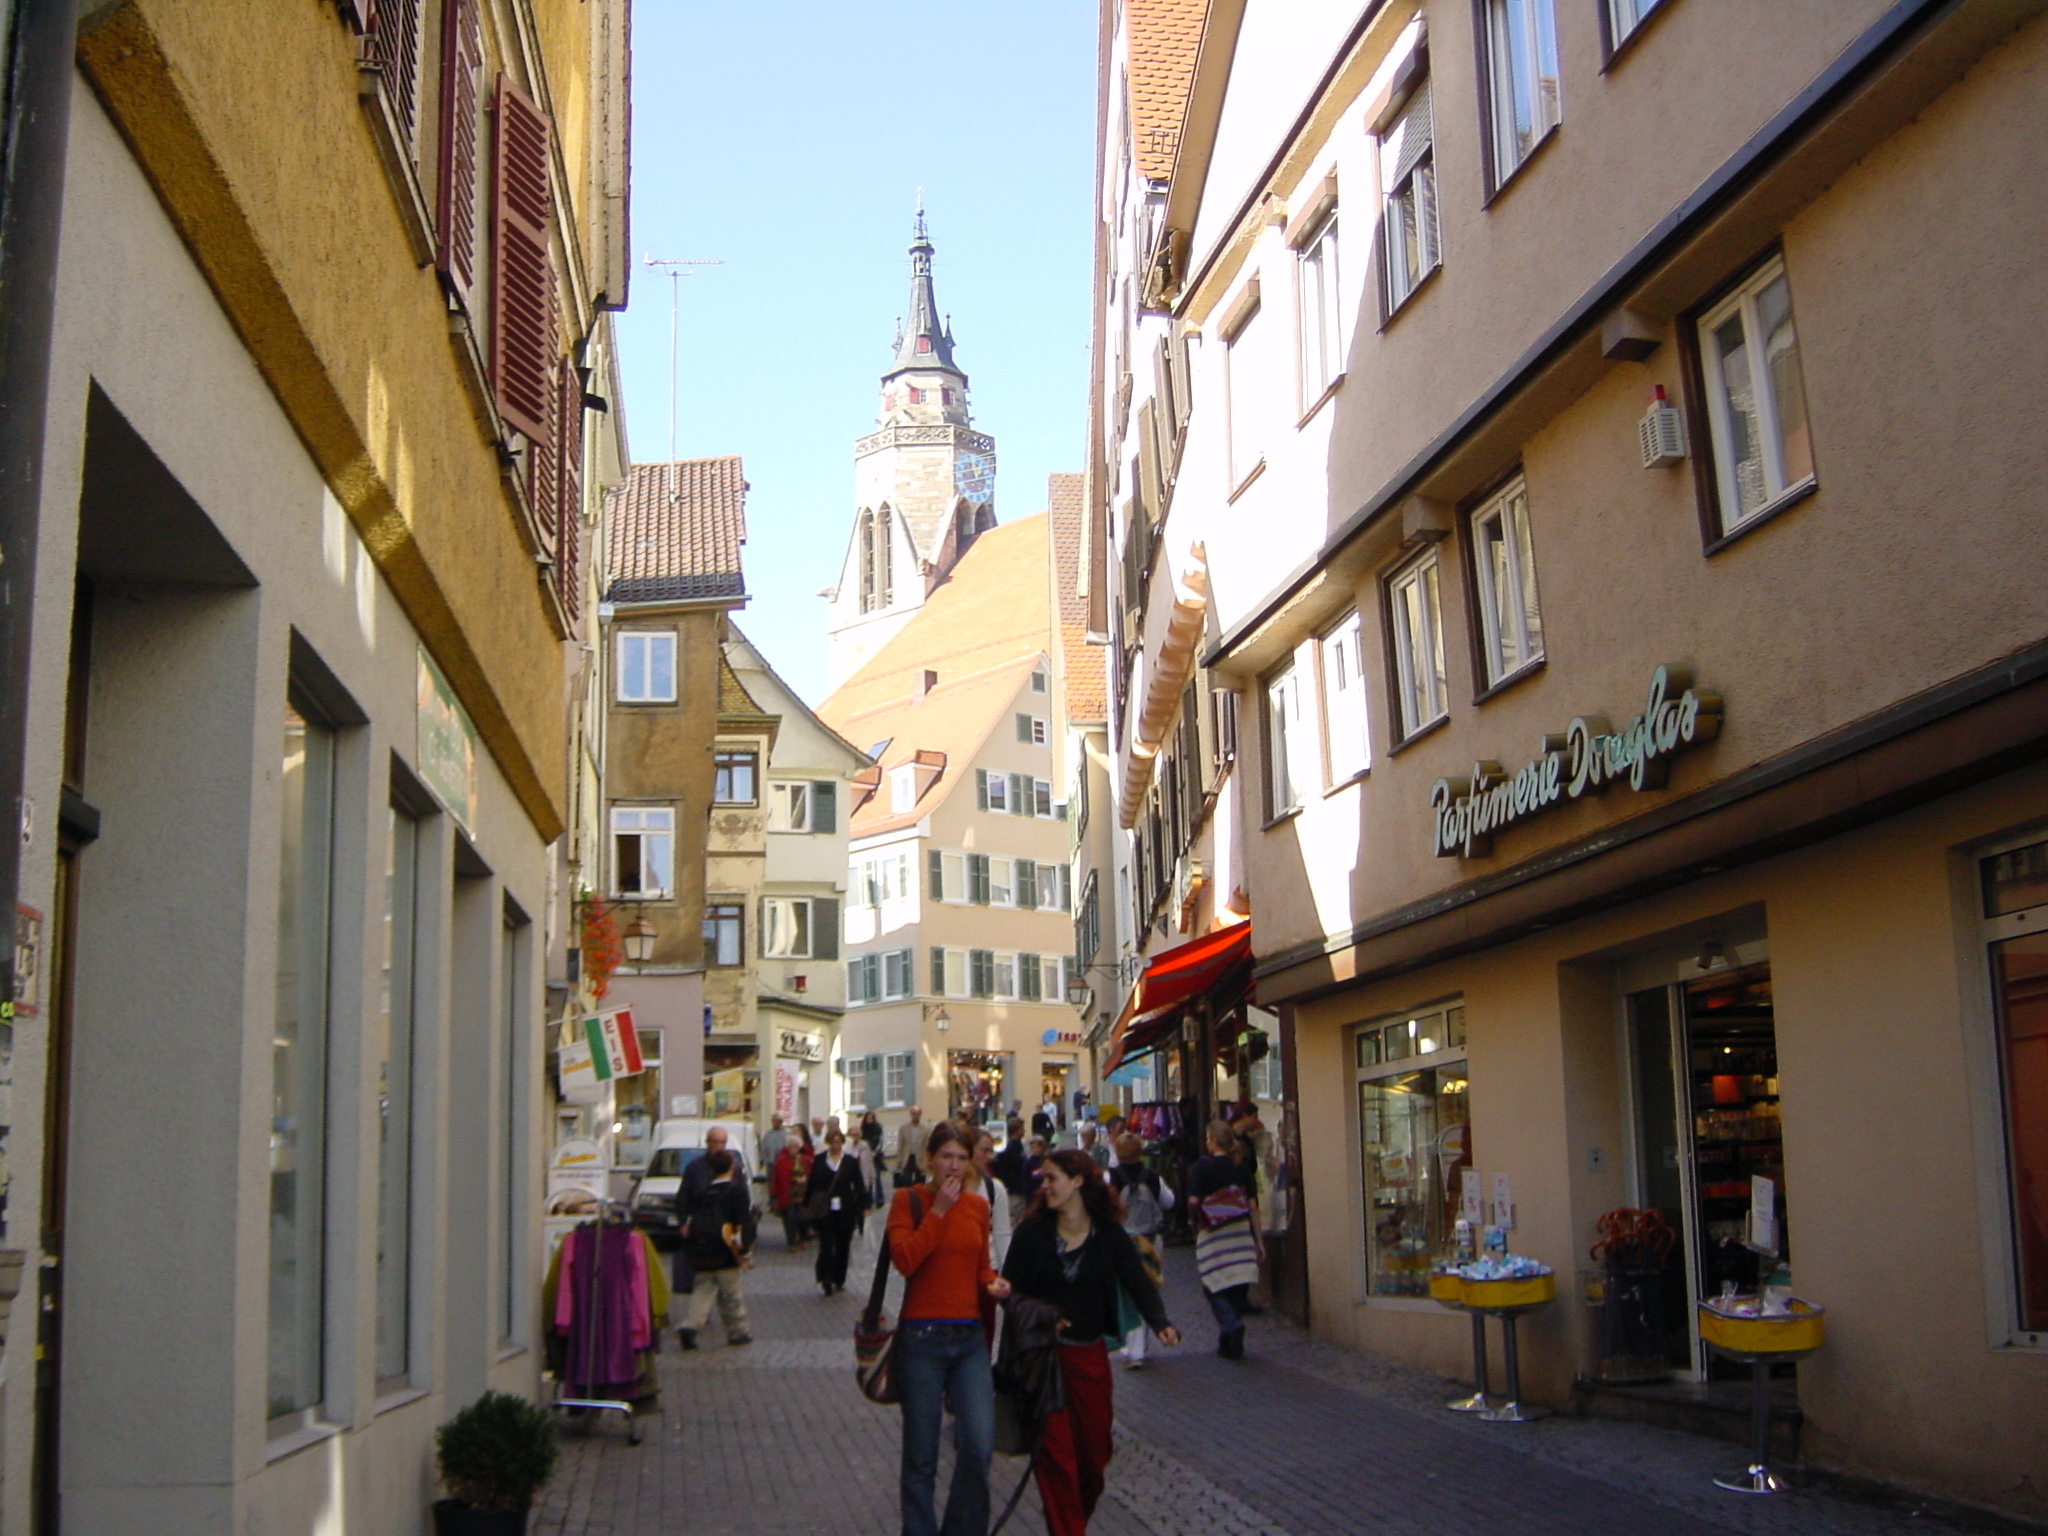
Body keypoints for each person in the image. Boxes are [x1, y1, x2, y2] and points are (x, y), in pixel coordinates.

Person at [1003, 1150, 1178, 1534]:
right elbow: (1010, 1292)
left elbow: (1136, 1279)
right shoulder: (1032, 1232)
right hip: (1041, 1361)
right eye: (1043, 1180)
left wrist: (1160, 1322)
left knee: (1094, 1458)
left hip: (1089, 1356)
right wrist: (1041, 1315)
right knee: (1056, 1461)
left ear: (1078, 1181)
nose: (1044, 1186)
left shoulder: (1107, 1233)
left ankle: (1072, 1522)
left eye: (1052, 1179)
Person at [891, 1122, 1011, 1536]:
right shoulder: (908, 1202)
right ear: (930, 1160)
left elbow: (979, 1266)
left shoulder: (978, 1207)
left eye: (962, 1158)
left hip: (968, 1339)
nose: (954, 1166)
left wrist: (991, 1283)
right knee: (921, 1456)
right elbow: (906, 1260)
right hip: (921, 1339)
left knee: (978, 1447)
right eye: (947, 1157)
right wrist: (939, 1212)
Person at [1190, 1119, 1262, 1359]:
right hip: (1240, 1232)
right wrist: (1258, 1241)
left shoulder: (1203, 1166)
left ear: (1211, 1140)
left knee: (1213, 1284)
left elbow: (1192, 1201)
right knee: (1236, 1285)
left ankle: (1231, 1325)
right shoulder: (1239, 1168)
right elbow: (1252, 1206)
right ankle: (1229, 1344)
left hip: (1214, 1234)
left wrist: (1194, 1220)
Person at [677, 1148, 752, 1348]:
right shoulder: (736, 1190)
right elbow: (742, 1221)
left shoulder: (705, 1191)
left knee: (702, 1290)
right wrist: (744, 1251)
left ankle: (690, 1325)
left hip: (701, 1248)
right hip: (725, 1249)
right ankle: (738, 1332)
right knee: (731, 1294)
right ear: (732, 1166)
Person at [1108, 1133, 1171, 1369]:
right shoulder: (1153, 1177)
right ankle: (1140, 1345)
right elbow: (1169, 1201)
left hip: (1122, 1241)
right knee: (1147, 1288)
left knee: (1127, 1291)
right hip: (1150, 1241)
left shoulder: (1111, 1177)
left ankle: (1133, 1350)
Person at [806, 1128, 870, 1295]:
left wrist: (863, 1204)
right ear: (828, 1143)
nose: (835, 1145)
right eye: (832, 1142)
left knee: (843, 1245)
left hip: (845, 1209)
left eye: (838, 1142)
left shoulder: (849, 1162)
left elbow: (858, 1184)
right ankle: (825, 1279)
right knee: (826, 1245)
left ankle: (839, 1277)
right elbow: (812, 1184)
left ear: (842, 1143)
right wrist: (807, 1205)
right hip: (825, 1209)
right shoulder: (819, 1161)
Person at [970, 1128, 1013, 1269]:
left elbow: (1002, 1234)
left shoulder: (994, 1188)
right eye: (984, 1150)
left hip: (989, 1266)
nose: (989, 1157)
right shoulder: (945, 1187)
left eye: (991, 1151)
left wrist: (1007, 1272)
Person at [772, 1125, 813, 1251]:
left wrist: (805, 1179)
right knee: (789, 1219)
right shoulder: (781, 1161)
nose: (792, 1149)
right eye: (790, 1146)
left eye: (795, 1146)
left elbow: (813, 1176)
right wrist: (774, 1196)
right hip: (787, 1195)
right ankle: (791, 1242)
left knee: (802, 1218)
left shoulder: (806, 1160)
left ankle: (803, 1238)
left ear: (800, 1147)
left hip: (803, 1194)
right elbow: (776, 1179)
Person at [991, 1117, 1030, 1218]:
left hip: (1016, 1189)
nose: (1024, 1131)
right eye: (1022, 1128)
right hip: (1015, 1190)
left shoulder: (1016, 1147)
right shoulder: (1013, 1149)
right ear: (1016, 1131)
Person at [887, 1104, 926, 1188]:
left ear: (920, 1115)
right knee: (906, 1181)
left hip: (920, 1158)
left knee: (920, 1182)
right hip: (907, 1157)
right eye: (914, 1113)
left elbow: (926, 1146)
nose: (916, 1116)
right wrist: (899, 1160)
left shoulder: (925, 1129)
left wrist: (926, 1161)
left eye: (917, 1114)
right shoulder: (904, 1128)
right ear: (911, 1114)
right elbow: (901, 1145)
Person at [860, 1108, 886, 1203]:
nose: (869, 1120)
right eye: (868, 1118)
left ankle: (880, 1198)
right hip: (866, 1155)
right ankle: (869, 1198)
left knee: (877, 1176)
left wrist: (875, 1152)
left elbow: (880, 1141)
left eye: (871, 1118)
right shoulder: (863, 1129)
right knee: (868, 1176)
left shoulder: (878, 1128)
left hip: (876, 1156)